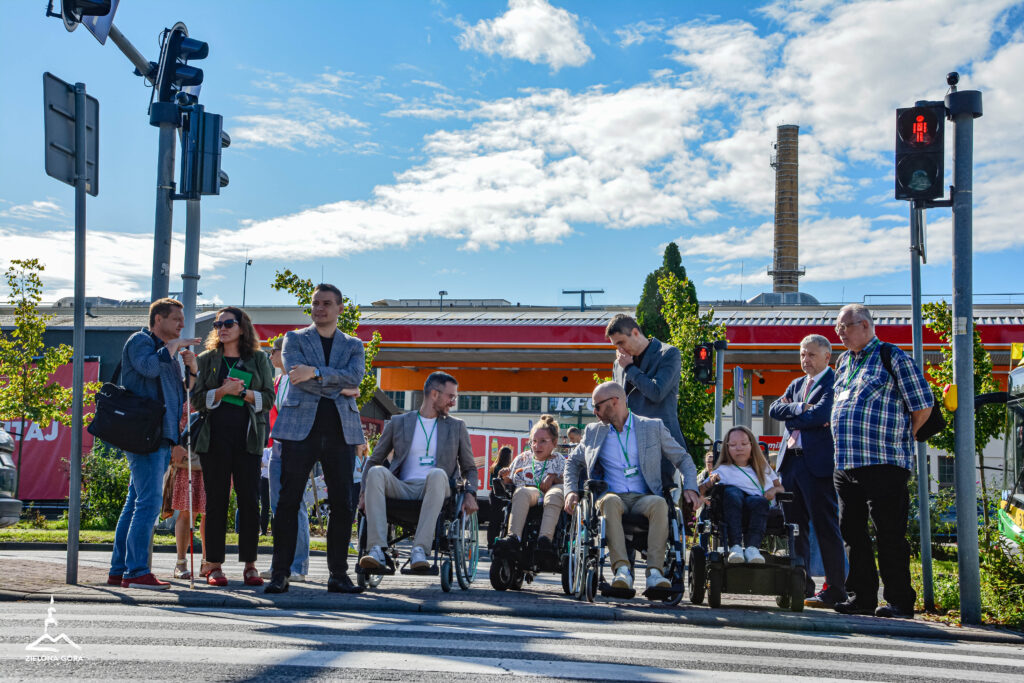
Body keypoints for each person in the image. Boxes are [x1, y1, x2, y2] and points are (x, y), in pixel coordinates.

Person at [831, 304, 933, 619]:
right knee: (852, 532)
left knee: (888, 533)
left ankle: (900, 601)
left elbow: (922, 405)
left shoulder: (893, 357)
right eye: (838, 329)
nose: (840, 333)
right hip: (846, 463)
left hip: (884, 462)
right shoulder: (844, 362)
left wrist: (900, 439)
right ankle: (861, 596)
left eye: (844, 327)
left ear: (864, 325)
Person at [266, 284, 365, 594]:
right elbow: (296, 376)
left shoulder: (354, 345)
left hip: (340, 431)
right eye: (315, 303)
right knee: (288, 502)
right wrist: (336, 382)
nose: (319, 308)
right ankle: (280, 573)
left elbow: (356, 378)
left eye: (326, 303)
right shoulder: (294, 339)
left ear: (339, 308)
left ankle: (338, 574)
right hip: (298, 428)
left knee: (343, 504)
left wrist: (317, 374)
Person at [563, 382, 700, 591]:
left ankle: (655, 572)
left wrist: (691, 486)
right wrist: (570, 491)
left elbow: (682, 458)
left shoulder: (652, 427)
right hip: (610, 496)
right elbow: (572, 462)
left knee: (660, 504)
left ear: (614, 402)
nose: (595, 412)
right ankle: (622, 570)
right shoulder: (594, 432)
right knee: (609, 502)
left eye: (597, 406)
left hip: (643, 497)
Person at [108, 298, 199, 590]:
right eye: (176, 319)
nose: (182, 325)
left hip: (160, 437)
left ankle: (120, 569)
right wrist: (172, 348)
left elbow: (180, 395)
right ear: (158, 319)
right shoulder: (140, 341)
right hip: (144, 436)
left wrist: (192, 369)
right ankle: (135, 572)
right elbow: (147, 368)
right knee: (147, 504)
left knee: (136, 501)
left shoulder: (168, 353)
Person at [359, 371, 479, 572]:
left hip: (437, 488)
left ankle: (419, 551)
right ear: (434, 394)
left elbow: (469, 468)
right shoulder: (398, 422)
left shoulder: (456, 427)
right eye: (451, 396)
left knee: (437, 473)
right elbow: (373, 460)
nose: (453, 402)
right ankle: (377, 550)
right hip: (403, 487)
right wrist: (364, 492)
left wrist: (470, 493)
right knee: (376, 472)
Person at [190, 307, 274, 587]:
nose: (221, 328)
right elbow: (197, 400)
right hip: (213, 440)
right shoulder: (207, 359)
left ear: (242, 327)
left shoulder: (259, 359)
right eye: (218, 324)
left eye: (228, 323)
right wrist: (222, 392)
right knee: (216, 502)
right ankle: (213, 564)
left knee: (250, 501)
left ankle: (250, 564)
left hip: (248, 438)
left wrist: (244, 393)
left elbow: (268, 400)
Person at [769, 334, 847, 608]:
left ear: (827, 357)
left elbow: (822, 415)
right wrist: (799, 408)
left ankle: (836, 588)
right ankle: (800, 584)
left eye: (811, 355)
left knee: (826, 527)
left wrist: (795, 417)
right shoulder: (796, 384)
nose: (805, 360)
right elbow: (774, 410)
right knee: (795, 528)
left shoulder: (834, 381)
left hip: (818, 467)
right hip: (791, 464)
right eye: (802, 354)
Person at [260, 335, 310, 582]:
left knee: (296, 505)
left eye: (274, 351)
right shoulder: (277, 382)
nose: (270, 356)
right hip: (277, 448)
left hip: (297, 448)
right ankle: (279, 563)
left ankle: (298, 565)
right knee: (278, 508)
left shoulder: (299, 380)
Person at [493, 415, 566, 565]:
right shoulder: (523, 458)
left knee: (555, 494)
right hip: (531, 493)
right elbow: (511, 481)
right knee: (521, 492)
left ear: (554, 443)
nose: (536, 446)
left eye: (543, 442)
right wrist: (505, 477)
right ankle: (514, 538)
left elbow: (568, 483)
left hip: (552, 493)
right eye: (534, 441)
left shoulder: (560, 460)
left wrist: (553, 478)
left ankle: (545, 540)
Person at [712, 426, 784, 564]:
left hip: (760, 505)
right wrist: (710, 482)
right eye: (733, 445)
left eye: (744, 444)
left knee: (758, 502)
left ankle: (752, 549)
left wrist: (773, 491)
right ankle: (736, 547)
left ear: (751, 445)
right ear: (727, 448)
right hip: (733, 508)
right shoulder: (723, 470)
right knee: (732, 492)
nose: (739, 448)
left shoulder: (763, 466)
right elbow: (702, 489)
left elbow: (781, 488)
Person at [170, 443, 206, 579]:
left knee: (212, 513)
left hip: (217, 454)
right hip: (188, 455)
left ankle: (208, 563)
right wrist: (176, 444)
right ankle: (181, 563)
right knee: (186, 511)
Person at [487, 446, 514, 550]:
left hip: (493, 494)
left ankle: (490, 543)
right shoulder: (505, 469)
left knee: (493, 521)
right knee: (504, 520)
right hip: (503, 495)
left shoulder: (494, 466)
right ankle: (501, 541)